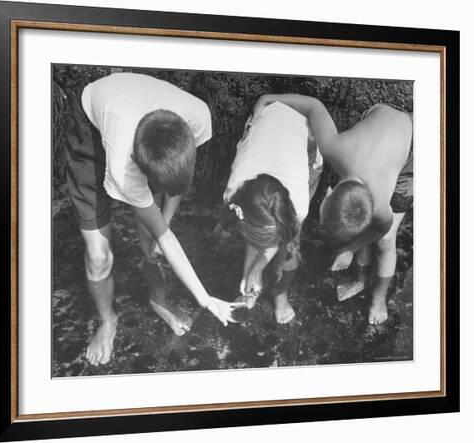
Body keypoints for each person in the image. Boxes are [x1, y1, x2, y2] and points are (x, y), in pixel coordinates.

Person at [66, 72, 242, 366]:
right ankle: (108, 320)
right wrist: (204, 298)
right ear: (139, 164)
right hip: (93, 119)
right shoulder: (126, 171)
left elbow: (175, 186)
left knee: (153, 239)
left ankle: (158, 299)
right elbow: (164, 234)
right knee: (99, 257)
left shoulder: (198, 118)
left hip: (139, 119)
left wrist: (164, 222)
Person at [251, 94, 413, 325]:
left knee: (386, 240)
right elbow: (313, 105)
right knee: (374, 237)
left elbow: (379, 229)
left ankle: (378, 298)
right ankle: (360, 277)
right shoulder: (333, 147)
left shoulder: (379, 204)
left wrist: (350, 248)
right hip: (380, 113)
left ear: (327, 195)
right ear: (328, 194)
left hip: (413, 146)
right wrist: (266, 99)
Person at [219, 101, 323, 324]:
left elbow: (280, 240)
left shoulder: (298, 204)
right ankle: (252, 291)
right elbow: (255, 239)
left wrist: (260, 263)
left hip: (304, 134)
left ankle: (281, 293)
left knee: (289, 249)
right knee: (260, 242)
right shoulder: (234, 194)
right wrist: (253, 273)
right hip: (267, 121)